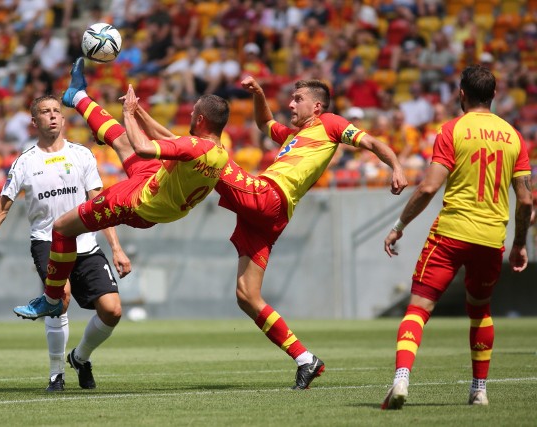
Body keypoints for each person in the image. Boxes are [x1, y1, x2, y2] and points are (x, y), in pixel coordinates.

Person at [129, 75, 408, 390]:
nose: (291, 103)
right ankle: (305, 360)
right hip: (269, 214)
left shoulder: (329, 123)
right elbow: (264, 123)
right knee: (247, 296)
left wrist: (396, 167)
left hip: (268, 196)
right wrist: (259, 93)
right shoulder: (293, 135)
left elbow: (371, 142)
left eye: (298, 98)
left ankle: (141, 124)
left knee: (204, 153)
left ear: (316, 106)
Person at [13, 57, 230, 320]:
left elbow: (145, 148)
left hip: (138, 202)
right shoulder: (218, 153)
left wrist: (128, 112)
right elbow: (168, 138)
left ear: (201, 118)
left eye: (194, 111)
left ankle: (50, 299)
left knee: (61, 228)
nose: (191, 114)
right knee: (124, 141)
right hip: (156, 185)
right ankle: (76, 96)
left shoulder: (195, 147)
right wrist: (138, 111)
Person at [381, 65, 533, 409]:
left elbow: (429, 186)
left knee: (419, 307)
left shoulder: (452, 130)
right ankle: (479, 390)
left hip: (450, 233)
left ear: (461, 93)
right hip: (491, 237)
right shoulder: (513, 136)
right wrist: (520, 242)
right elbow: (525, 199)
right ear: (494, 96)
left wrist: (399, 226)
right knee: (480, 311)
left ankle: (401, 380)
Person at [0, 94, 132, 392]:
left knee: (112, 311)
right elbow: (1, 209)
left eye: (56, 111)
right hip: (47, 242)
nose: (52, 115)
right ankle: (56, 374)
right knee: (60, 298)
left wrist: (116, 248)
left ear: (63, 119)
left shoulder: (82, 155)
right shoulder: (24, 163)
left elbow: (99, 204)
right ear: (34, 121)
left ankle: (80, 357)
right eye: (45, 111)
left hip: (86, 243)